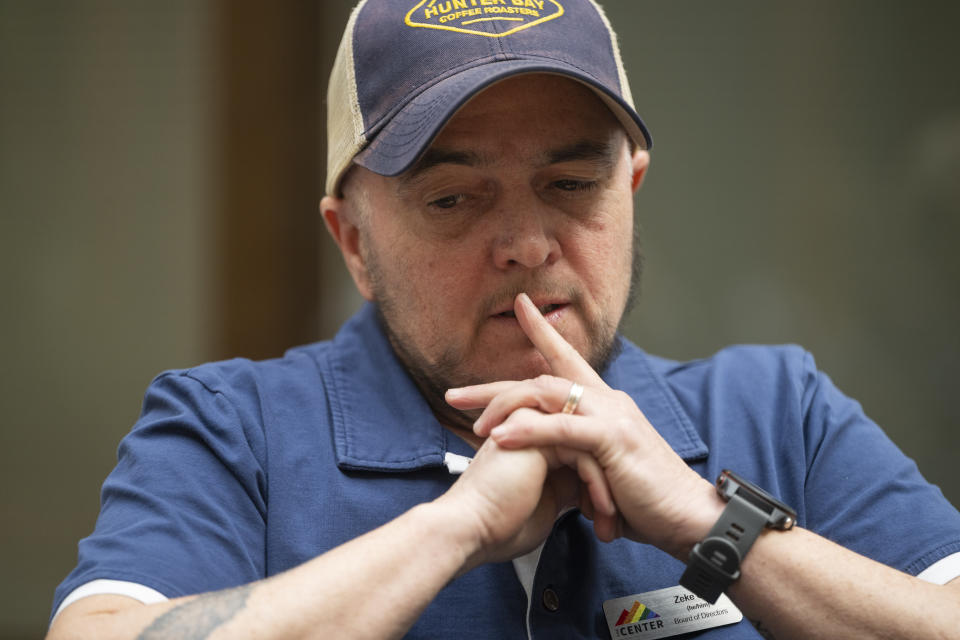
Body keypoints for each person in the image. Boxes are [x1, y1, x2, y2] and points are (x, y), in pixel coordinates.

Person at [48, 1, 960, 638]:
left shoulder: (774, 410)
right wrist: (457, 528)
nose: (526, 243)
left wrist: (698, 518)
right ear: (354, 242)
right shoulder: (229, 431)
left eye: (571, 185)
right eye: (453, 200)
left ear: (631, 190)